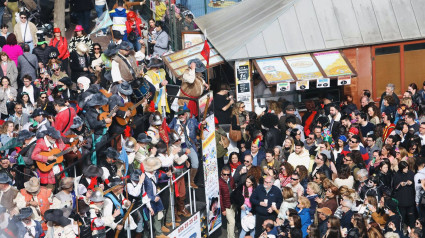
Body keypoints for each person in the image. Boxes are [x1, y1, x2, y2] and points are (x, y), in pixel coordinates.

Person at [169, 105, 203, 188]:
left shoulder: (192, 121)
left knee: (195, 163)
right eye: (179, 114)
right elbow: (168, 130)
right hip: (178, 146)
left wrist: (203, 124)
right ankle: (177, 184)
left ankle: (191, 181)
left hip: (190, 146)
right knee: (177, 163)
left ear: (186, 114)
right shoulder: (174, 121)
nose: (181, 116)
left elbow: (200, 127)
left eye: (182, 114)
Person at [219, 166, 236, 238]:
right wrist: (223, 209)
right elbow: (220, 197)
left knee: (230, 223)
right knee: (232, 222)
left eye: (228, 174)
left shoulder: (231, 179)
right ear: (221, 174)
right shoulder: (219, 182)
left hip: (233, 204)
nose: (226, 176)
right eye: (224, 174)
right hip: (226, 206)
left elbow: (234, 188)